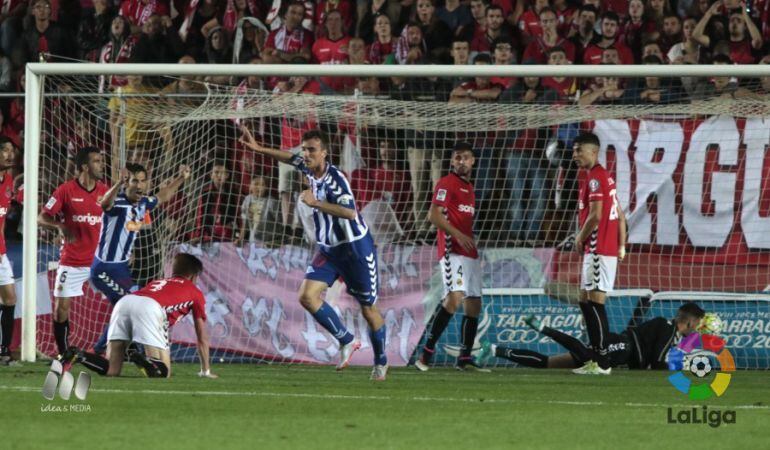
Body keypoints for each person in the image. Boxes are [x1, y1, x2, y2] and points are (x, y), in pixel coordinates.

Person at [240, 126, 389, 381]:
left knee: (368, 310)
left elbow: (351, 213)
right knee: (307, 296)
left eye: (311, 150)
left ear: (324, 153)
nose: (306, 154)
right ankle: (346, 340)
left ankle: (381, 361)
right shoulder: (309, 169)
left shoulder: (336, 179)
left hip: (355, 250)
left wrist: (315, 203)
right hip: (329, 249)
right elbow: (289, 158)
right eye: (304, 149)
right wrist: (259, 149)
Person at [60, 253, 217, 379]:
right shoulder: (195, 292)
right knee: (164, 372)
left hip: (125, 302)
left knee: (112, 369)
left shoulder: (158, 282)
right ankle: (144, 359)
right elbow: (202, 336)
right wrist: (206, 371)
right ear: (193, 276)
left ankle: (79, 355)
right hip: (150, 307)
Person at [89, 163, 191, 354]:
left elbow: (163, 196)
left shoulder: (143, 203)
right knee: (130, 306)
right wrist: (118, 181)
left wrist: (181, 178)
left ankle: (113, 351)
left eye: (143, 181)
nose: (140, 185)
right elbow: (104, 204)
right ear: (128, 182)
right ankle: (105, 350)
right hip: (104, 269)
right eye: (135, 180)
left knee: (130, 308)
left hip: (121, 269)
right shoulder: (117, 203)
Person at [414, 142, 487, 372]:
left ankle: (464, 359)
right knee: (454, 299)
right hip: (451, 251)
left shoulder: (470, 188)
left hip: (469, 252)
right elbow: (433, 216)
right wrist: (457, 234)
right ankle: (426, 354)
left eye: (466, 157)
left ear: (473, 161)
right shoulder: (446, 183)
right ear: (452, 161)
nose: (461, 161)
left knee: (473, 304)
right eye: (457, 158)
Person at [476, 302, 706, 372]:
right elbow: (657, 361)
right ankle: (543, 328)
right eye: (697, 325)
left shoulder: (667, 328)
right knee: (591, 354)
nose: (697, 329)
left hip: (621, 351)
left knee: (549, 364)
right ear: (690, 322)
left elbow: (657, 357)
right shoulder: (668, 329)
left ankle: (495, 350)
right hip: (621, 348)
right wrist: (678, 369)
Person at [38, 147, 109, 357]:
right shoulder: (65, 190)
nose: (101, 165)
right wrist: (59, 226)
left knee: (123, 303)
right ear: (85, 167)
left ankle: (120, 351)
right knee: (61, 309)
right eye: (97, 161)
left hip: (100, 261)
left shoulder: (105, 191)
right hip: (72, 261)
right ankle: (63, 353)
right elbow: (41, 217)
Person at [571, 132, 627, 375]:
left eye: (578, 150)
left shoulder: (595, 178)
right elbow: (621, 215)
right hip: (606, 250)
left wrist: (580, 237)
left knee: (594, 304)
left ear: (593, 152)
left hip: (596, 248)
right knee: (586, 300)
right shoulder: (605, 177)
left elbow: (596, 215)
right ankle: (597, 358)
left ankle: (603, 361)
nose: (575, 155)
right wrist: (622, 245)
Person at [0, 138, 18, 365]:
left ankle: (4, 350)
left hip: (1, 252)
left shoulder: (8, 181)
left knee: (10, 298)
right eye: (4, 150)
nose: (9, 155)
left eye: (12, 151)